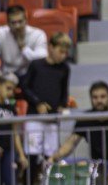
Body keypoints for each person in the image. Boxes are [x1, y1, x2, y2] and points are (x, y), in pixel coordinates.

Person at [20, 32, 72, 167]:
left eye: (65, 53)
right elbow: (25, 88)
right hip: (34, 117)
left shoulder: (65, 68)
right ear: (50, 47)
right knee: (32, 155)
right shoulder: (36, 65)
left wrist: (62, 105)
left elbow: (64, 92)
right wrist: (37, 103)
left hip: (52, 119)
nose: (63, 55)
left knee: (51, 156)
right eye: (60, 51)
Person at [0, 5, 48, 100]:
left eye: (20, 22)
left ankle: (38, 107)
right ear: (7, 23)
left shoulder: (37, 34)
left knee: (44, 76)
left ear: (26, 20)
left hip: (27, 74)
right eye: (13, 23)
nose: (17, 26)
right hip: (5, 74)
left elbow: (42, 60)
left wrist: (24, 48)